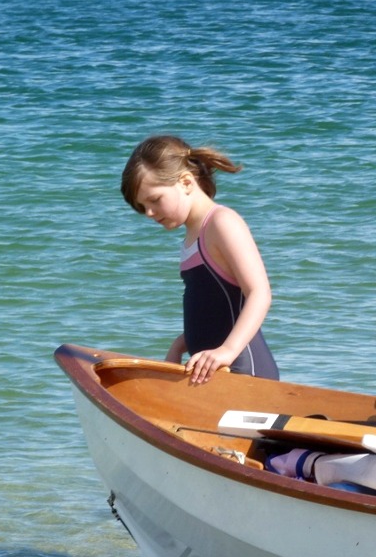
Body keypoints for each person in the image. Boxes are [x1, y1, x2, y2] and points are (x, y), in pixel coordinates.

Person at [120, 135, 279, 385]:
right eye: (142, 207)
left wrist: (227, 351)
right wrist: (180, 344)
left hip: (245, 373)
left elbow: (260, 293)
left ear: (185, 182)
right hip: (213, 374)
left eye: (154, 200)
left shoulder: (221, 223)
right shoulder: (191, 237)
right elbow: (214, 308)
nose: (149, 213)